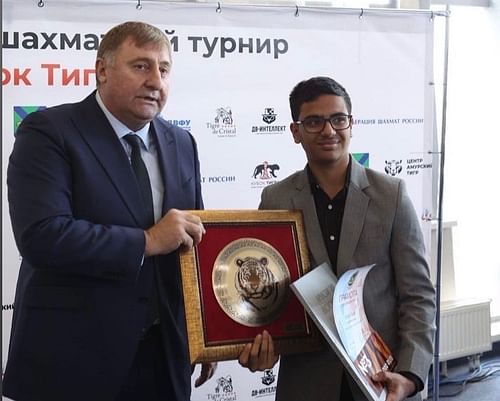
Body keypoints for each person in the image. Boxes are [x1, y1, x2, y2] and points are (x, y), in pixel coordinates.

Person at [3, 21, 216, 401]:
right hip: (74, 361)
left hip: (165, 356)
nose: (155, 80)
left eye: (164, 69)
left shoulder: (182, 142)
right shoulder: (49, 131)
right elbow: (42, 235)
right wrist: (148, 241)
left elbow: (192, 241)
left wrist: (205, 331)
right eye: (141, 66)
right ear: (101, 69)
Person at [239, 76, 436, 401]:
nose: (328, 130)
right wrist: (263, 344)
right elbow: (266, 294)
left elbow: (419, 295)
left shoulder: (391, 195)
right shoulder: (276, 199)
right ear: (295, 131)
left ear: (351, 124)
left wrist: (411, 374)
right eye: (314, 121)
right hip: (307, 381)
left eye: (338, 119)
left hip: (384, 380)